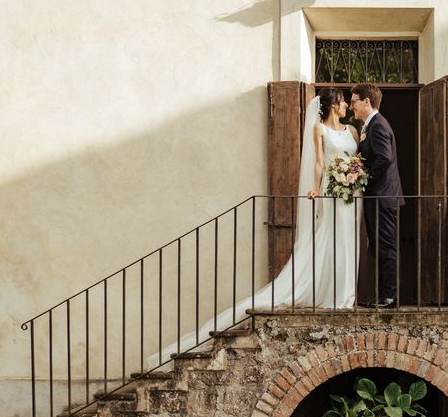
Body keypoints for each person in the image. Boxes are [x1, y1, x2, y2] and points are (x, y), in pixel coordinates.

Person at [149, 89, 360, 364]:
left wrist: (356, 175)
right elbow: (320, 163)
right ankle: (335, 293)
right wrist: (315, 188)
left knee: (350, 238)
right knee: (332, 239)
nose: (346, 105)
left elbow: (359, 160)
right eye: (343, 101)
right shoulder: (319, 129)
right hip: (333, 191)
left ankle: (348, 292)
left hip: (354, 193)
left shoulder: (354, 132)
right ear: (334, 104)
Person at [351, 83, 404, 308]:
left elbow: (384, 158)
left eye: (354, 101)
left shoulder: (379, 126)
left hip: (383, 197)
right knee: (379, 246)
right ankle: (383, 295)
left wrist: (365, 179)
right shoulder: (370, 126)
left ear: (366, 101)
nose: (351, 105)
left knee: (386, 246)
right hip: (378, 197)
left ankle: (389, 297)